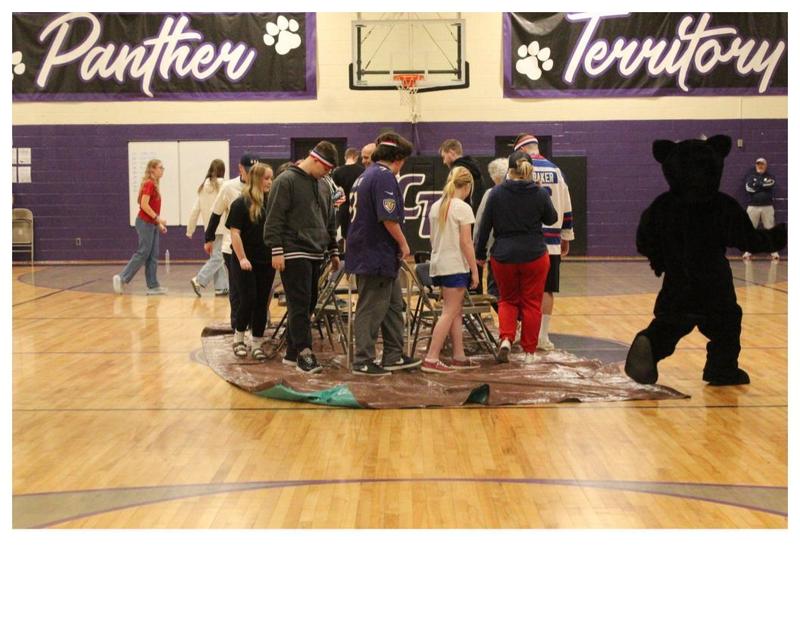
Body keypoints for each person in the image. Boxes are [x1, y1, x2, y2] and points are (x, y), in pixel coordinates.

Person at [346, 132, 421, 376]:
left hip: (371, 252)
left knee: (392, 305)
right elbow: (388, 217)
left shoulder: (365, 175)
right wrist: (404, 244)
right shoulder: (384, 177)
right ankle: (363, 360)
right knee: (371, 306)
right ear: (397, 158)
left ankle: (393, 355)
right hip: (374, 253)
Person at [264, 141, 340, 374]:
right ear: (315, 159)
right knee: (299, 304)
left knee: (307, 305)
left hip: (316, 253)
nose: (328, 173)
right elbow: (274, 217)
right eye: (326, 168)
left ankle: (291, 353)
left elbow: (329, 220)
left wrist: (334, 249)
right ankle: (304, 353)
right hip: (293, 251)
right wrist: (276, 249)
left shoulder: (324, 185)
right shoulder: (285, 181)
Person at [474, 150, 557, 364]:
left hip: (503, 255)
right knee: (531, 302)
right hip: (534, 255)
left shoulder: (496, 193)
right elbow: (552, 218)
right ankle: (529, 352)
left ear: (509, 170)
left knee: (507, 300)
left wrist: (480, 255)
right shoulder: (539, 193)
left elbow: (485, 227)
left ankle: (506, 339)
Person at [512, 133, 575, 351]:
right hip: (551, 242)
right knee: (547, 290)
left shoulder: (518, 170)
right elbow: (567, 206)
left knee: (523, 289)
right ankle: (543, 336)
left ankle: (523, 333)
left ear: (520, 150)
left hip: (525, 240)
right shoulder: (556, 170)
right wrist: (566, 236)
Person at [421, 166, 480, 373]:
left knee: (455, 311)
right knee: (449, 312)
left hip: (439, 264)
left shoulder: (436, 206)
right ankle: (431, 358)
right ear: (468, 186)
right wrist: (474, 270)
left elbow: (431, 238)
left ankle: (459, 356)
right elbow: (466, 242)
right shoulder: (463, 208)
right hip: (455, 265)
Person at [204, 153, 259, 330]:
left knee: (254, 291)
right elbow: (216, 213)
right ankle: (237, 327)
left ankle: (253, 326)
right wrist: (209, 238)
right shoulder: (229, 187)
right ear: (240, 169)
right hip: (231, 247)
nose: (252, 175)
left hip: (255, 247)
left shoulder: (262, 188)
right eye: (249, 171)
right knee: (237, 290)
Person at [227, 163, 275, 361]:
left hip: (266, 261)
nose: (270, 182)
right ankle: (238, 338)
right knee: (248, 299)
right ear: (256, 179)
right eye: (266, 178)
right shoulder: (241, 204)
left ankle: (256, 341)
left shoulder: (271, 203)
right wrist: (242, 258)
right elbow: (235, 233)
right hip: (245, 261)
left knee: (262, 302)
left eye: (271, 178)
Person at [113, 159, 168, 295]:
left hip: (152, 224)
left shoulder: (154, 184)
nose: (162, 170)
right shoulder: (149, 184)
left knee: (153, 255)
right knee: (143, 252)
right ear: (152, 169)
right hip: (144, 223)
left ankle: (153, 285)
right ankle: (122, 278)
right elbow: (144, 205)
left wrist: (158, 224)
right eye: (160, 167)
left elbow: (151, 207)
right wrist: (158, 219)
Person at [187, 159, 228, 296]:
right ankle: (199, 279)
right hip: (223, 228)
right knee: (219, 257)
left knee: (218, 257)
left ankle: (221, 287)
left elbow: (195, 210)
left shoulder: (202, 188)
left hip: (210, 228)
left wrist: (190, 229)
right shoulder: (225, 186)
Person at [473, 157, 509, 308]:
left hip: (497, 251)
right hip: (525, 252)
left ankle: (509, 324)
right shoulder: (523, 192)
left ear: (494, 177)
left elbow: (481, 223)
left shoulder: (491, 193)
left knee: (495, 291)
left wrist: (477, 249)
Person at [742, 157, 780, 261]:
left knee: (770, 229)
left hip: (767, 207)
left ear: (765, 165)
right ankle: (748, 251)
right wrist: (762, 185)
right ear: (756, 165)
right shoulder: (750, 176)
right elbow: (748, 188)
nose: (760, 166)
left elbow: (770, 184)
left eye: (762, 164)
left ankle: (774, 251)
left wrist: (757, 185)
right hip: (752, 207)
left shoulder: (770, 176)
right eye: (758, 164)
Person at [438, 138, 486, 211]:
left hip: (463, 214)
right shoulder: (474, 168)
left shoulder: (457, 171)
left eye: (444, 157)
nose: (444, 162)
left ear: (451, 152)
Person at [332, 147, 365, 242]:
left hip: (343, 208)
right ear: (356, 157)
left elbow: (335, 196)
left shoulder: (337, 172)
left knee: (346, 235)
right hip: (358, 207)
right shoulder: (362, 171)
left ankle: (347, 254)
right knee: (358, 234)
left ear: (345, 157)